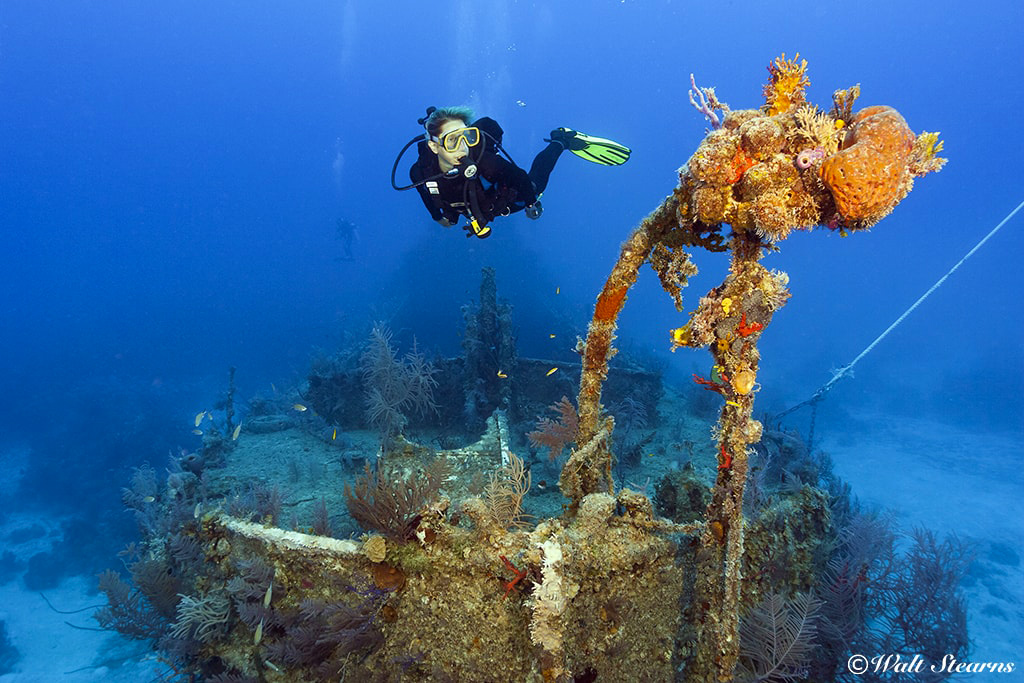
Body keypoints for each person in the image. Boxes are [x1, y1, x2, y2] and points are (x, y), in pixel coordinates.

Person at [392, 106, 631, 238]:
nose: (463, 147)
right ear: (433, 146)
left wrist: (530, 204)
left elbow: (518, 177)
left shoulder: (485, 162)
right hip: (471, 209)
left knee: (535, 186)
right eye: (452, 141)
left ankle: (561, 140)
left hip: (502, 199)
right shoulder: (420, 172)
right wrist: (441, 218)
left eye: (466, 137)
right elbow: (428, 197)